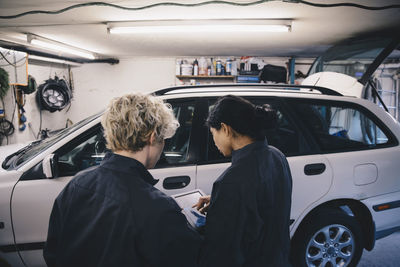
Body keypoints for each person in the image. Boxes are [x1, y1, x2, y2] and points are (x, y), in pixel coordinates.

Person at [43, 93, 201, 267]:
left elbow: (52, 253)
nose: (163, 146)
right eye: (163, 139)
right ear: (152, 136)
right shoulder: (158, 207)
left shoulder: (76, 185)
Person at [194, 95, 292, 267]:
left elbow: (223, 253)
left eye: (213, 133)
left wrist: (226, 199)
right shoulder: (277, 156)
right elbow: (264, 204)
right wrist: (221, 200)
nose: (214, 141)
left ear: (225, 129)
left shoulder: (232, 182)